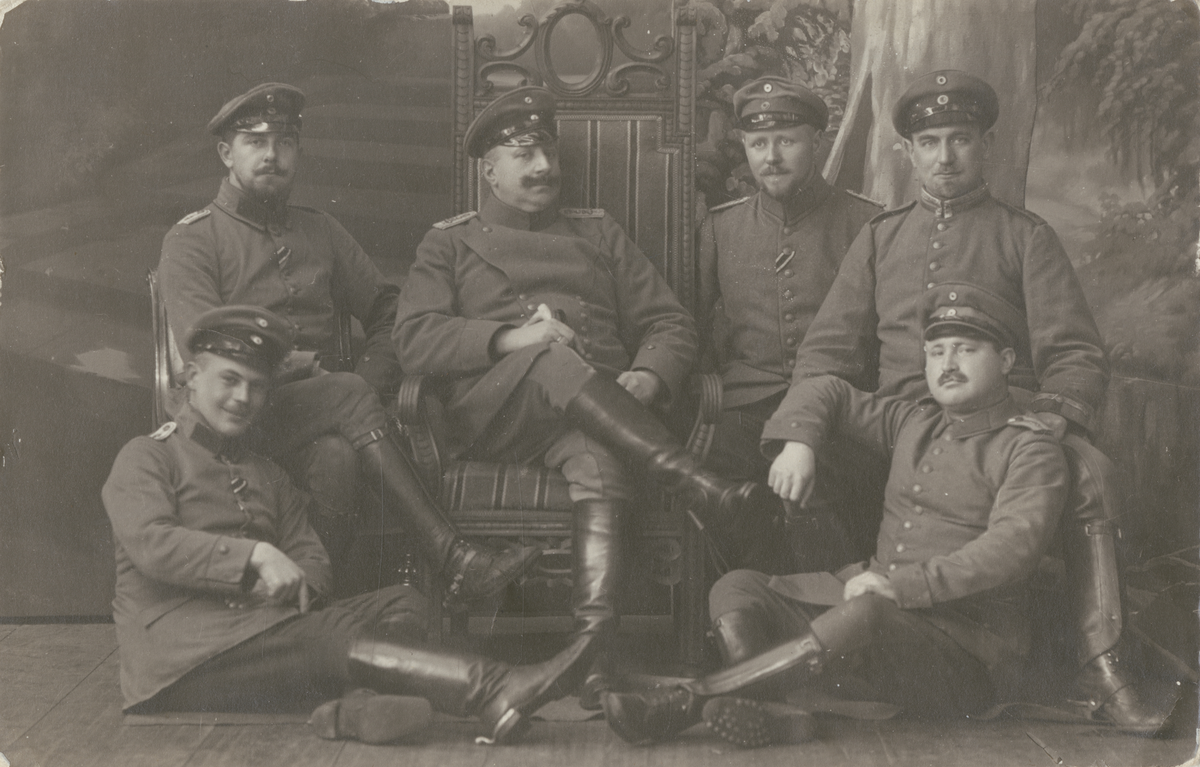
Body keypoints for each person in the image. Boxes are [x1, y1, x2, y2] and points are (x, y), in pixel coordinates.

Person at [781, 70, 1167, 734]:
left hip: (997, 425)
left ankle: (1104, 662)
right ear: (909, 151)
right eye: (929, 142)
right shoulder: (880, 236)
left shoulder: (1025, 236)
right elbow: (826, 351)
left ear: (986, 144)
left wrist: (1051, 415)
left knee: (1091, 471)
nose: (945, 157)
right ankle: (835, 648)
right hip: (899, 424)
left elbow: (1075, 353)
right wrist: (802, 434)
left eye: (960, 139)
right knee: (793, 466)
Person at [393, 85, 774, 707]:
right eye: (524, 155)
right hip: (496, 417)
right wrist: (514, 337)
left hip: (597, 414)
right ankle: (694, 481)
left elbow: (670, 323)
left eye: (549, 152)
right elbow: (413, 338)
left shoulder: (598, 232)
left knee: (599, 464)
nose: (544, 167)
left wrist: (648, 376)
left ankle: (593, 657)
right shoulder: (450, 242)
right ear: (489, 171)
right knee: (550, 355)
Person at [102, 305, 605, 746]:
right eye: (229, 380)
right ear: (192, 377)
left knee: (404, 603)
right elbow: (152, 544)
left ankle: (356, 705)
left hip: (262, 635)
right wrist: (254, 557)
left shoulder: (265, 472)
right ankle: (494, 688)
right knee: (330, 634)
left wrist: (293, 585)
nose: (242, 397)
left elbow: (312, 559)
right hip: (184, 658)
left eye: (256, 386)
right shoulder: (147, 456)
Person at [602, 290, 1068, 747]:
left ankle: (684, 704)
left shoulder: (1030, 448)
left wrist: (902, 585)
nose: (948, 364)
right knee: (737, 587)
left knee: (867, 613)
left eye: (966, 350)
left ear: (1006, 360)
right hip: (882, 620)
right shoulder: (915, 422)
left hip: (970, 655)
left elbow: (1013, 548)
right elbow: (826, 388)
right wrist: (800, 442)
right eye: (936, 351)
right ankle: (774, 711)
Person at [156, 83, 536, 600]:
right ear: (227, 153)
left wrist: (365, 380)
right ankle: (453, 558)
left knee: (337, 456)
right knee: (350, 399)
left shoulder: (321, 230)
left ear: (298, 152)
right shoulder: (192, 239)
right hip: (230, 417)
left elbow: (389, 311)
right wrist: (320, 374)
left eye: (285, 143)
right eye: (255, 142)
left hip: (317, 413)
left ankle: (309, 605)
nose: (271, 155)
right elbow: (213, 349)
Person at [696, 76, 882, 571]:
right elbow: (692, 327)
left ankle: (830, 605)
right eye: (758, 143)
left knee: (832, 488)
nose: (771, 157)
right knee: (706, 481)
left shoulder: (867, 224)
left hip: (838, 412)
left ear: (816, 142)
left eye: (786, 141)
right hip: (745, 410)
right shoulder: (721, 227)